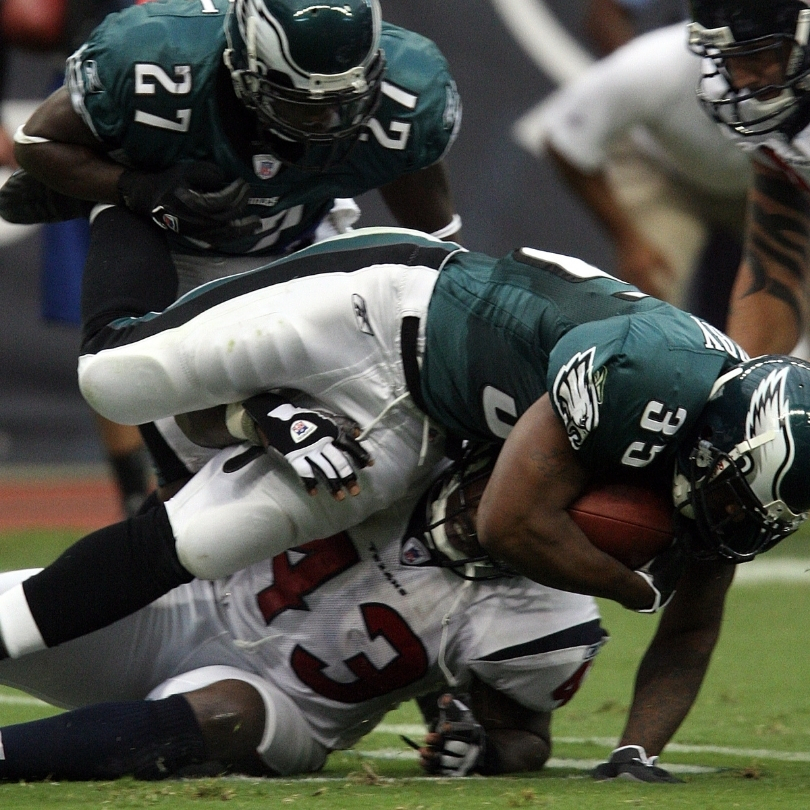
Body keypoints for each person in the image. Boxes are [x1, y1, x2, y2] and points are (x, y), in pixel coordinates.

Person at [0, 213, 808, 672]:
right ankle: (129, 201)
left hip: (419, 423)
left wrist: (635, 750)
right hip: (381, 312)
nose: (731, 514)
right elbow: (507, 523)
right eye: (738, 490)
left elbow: (696, 615)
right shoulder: (653, 376)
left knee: (205, 543)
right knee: (117, 376)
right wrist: (639, 587)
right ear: (728, 442)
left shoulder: (707, 445)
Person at [0, 0, 462, 494]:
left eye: (337, 101)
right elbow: (36, 142)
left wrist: (453, 310)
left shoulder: (407, 96)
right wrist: (138, 188)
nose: (320, 121)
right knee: (181, 448)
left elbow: (436, 239)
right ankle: (173, 480)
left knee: (379, 445)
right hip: (171, 242)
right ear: (243, 67)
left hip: (302, 244)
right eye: (295, 101)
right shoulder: (156, 56)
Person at [0, 453, 606, 780]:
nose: (490, 517)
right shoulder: (410, 446)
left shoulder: (544, 612)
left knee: (225, 714)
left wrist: (487, 753)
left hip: (288, 706)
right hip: (186, 602)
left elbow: (527, 737)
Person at [543, 23, 749, 327]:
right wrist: (630, 242)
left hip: (765, 190)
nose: (752, 78)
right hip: (666, 178)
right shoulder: (651, 66)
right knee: (644, 308)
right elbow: (565, 143)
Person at [686, 0, 810, 357]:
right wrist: (741, 380)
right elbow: (775, 259)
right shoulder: (768, 109)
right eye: (731, 58)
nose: (742, 81)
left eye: (757, 57)